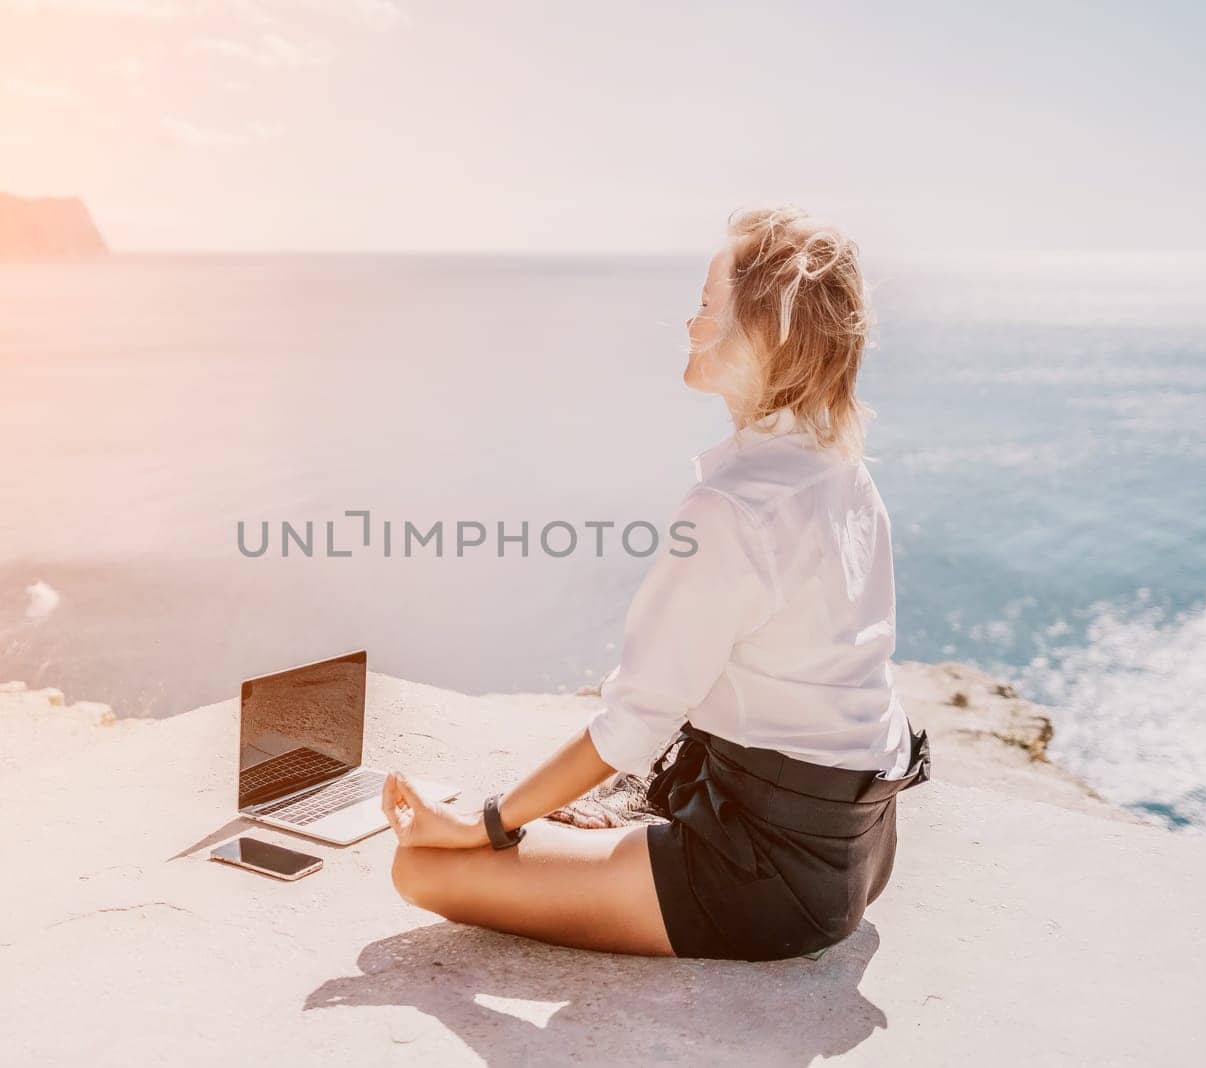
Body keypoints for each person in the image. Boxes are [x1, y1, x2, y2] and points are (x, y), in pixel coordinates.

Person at [381, 206, 930, 961]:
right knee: (542, 830)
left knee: (422, 867)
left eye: (710, 304)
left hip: (762, 879)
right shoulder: (841, 472)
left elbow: (631, 728)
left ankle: (560, 833)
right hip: (861, 850)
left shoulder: (733, 507)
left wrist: (484, 824)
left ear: (763, 332)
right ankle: (622, 828)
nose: (692, 320)